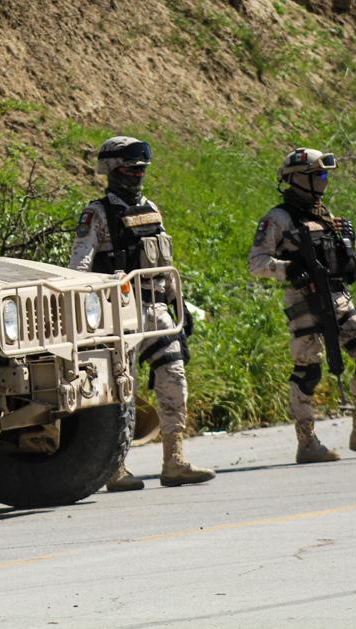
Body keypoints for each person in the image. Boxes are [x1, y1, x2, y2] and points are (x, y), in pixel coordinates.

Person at [70, 136, 215, 490]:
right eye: (131, 168)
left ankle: (174, 460)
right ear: (112, 169)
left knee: (174, 378)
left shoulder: (151, 209)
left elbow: (165, 264)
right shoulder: (97, 213)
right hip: (118, 313)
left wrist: (179, 304)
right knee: (122, 388)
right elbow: (78, 267)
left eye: (142, 169)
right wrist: (106, 284)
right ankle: (114, 468)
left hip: (157, 310)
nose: (138, 175)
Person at [247, 147, 356, 463]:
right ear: (299, 179)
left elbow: (347, 268)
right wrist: (289, 269)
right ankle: (307, 442)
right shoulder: (278, 218)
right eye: (320, 175)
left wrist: (348, 252)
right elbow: (257, 263)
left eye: (326, 175)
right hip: (304, 301)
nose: (326, 181)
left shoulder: (325, 216)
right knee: (309, 370)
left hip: (339, 297)